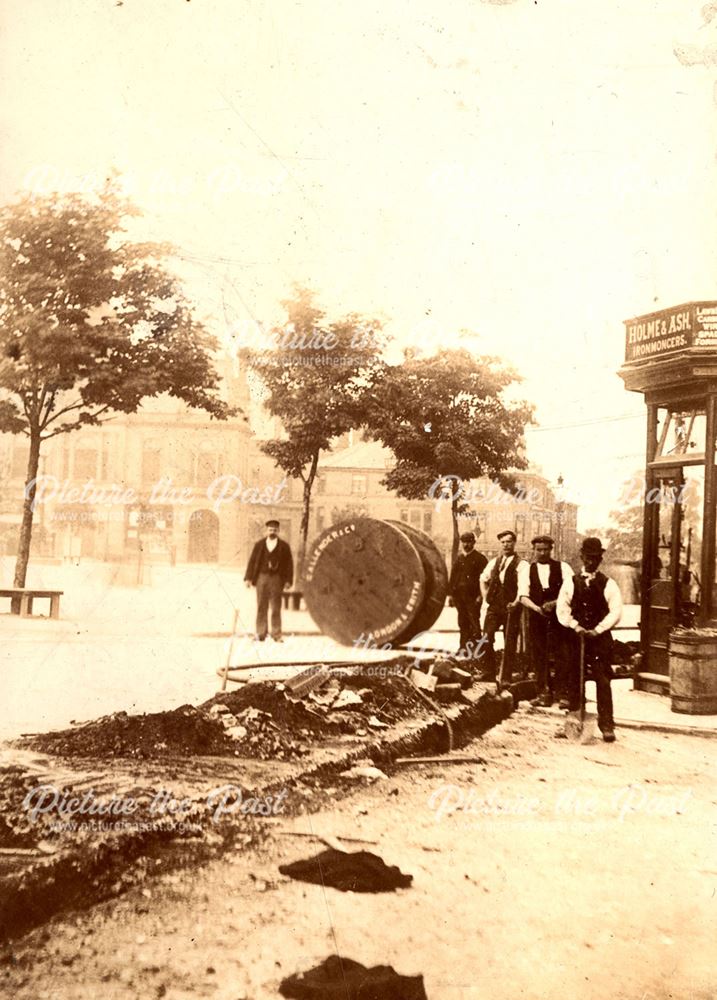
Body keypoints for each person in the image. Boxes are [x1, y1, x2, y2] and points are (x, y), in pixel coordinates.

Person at [556, 537, 623, 742]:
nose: (591, 561)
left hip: (600, 639)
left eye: (595, 558)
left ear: (600, 559)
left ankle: (607, 725)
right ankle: (574, 722)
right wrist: (575, 626)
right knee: (575, 679)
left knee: (603, 680)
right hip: (576, 637)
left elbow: (616, 612)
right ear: (582, 557)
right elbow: (562, 608)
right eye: (588, 557)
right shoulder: (571, 582)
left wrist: (598, 629)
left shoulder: (608, 584)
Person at [518, 535, 573, 708]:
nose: (542, 553)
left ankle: (563, 694)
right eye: (539, 549)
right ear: (533, 550)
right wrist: (536, 608)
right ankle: (543, 693)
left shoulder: (563, 567)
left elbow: (571, 591)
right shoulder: (527, 570)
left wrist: (555, 604)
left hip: (560, 617)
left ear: (551, 549)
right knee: (539, 654)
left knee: (562, 654)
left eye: (545, 549)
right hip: (537, 617)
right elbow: (522, 595)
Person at [479, 530, 524, 685]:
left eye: (509, 541)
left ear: (514, 543)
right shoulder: (495, 562)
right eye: (503, 542)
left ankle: (505, 677)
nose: (506, 545)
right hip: (495, 607)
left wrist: (516, 602)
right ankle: (488, 673)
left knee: (509, 642)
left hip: (511, 608)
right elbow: (483, 579)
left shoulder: (521, 564)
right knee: (486, 638)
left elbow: (523, 588)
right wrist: (486, 596)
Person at [244, 519, 294, 642]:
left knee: (276, 607)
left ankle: (276, 634)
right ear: (266, 531)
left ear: (278, 531)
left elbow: (289, 565)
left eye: (275, 530)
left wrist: (288, 581)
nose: (272, 532)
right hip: (262, 577)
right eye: (270, 530)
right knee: (261, 606)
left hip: (277, 579)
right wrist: (248, 578)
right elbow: (252, 562)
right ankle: (260, 633)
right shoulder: (259, 545)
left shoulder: (284, 546)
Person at [449, 531, 488, 657]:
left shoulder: (480, 559)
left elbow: (485, 580)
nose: (466, 545)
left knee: (474, 622)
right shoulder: (459, 559)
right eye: (464, 542)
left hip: (473, 597)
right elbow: (453, 577)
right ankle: (463, 648)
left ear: (473, 543)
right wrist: (450, 595)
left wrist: (480, 596)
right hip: (460, 597)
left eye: (469, 542)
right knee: (462, 622)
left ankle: (477, 649)